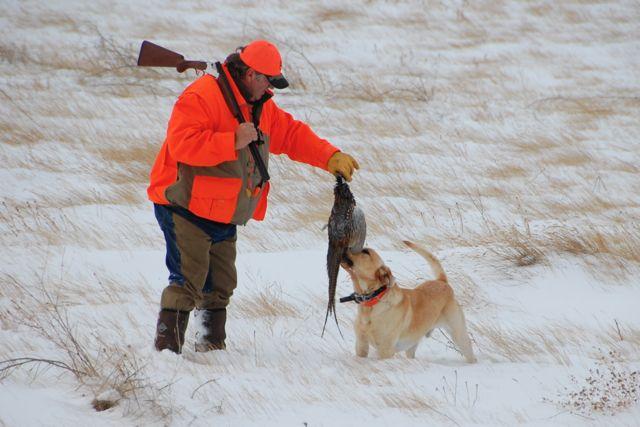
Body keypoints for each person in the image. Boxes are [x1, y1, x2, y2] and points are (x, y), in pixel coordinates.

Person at [147, 40, 359, 354]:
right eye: (267, 81)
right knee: (188, 279)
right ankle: (166, 352)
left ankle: (211, 346)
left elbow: (291, 134)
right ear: (250, 74)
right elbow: (182, 146)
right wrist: (231, 140)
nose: (269, 88)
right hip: (183, 204)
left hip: (222, 210)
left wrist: (330, 157)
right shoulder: (201, 96)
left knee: (221, 283)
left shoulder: (259, 106)